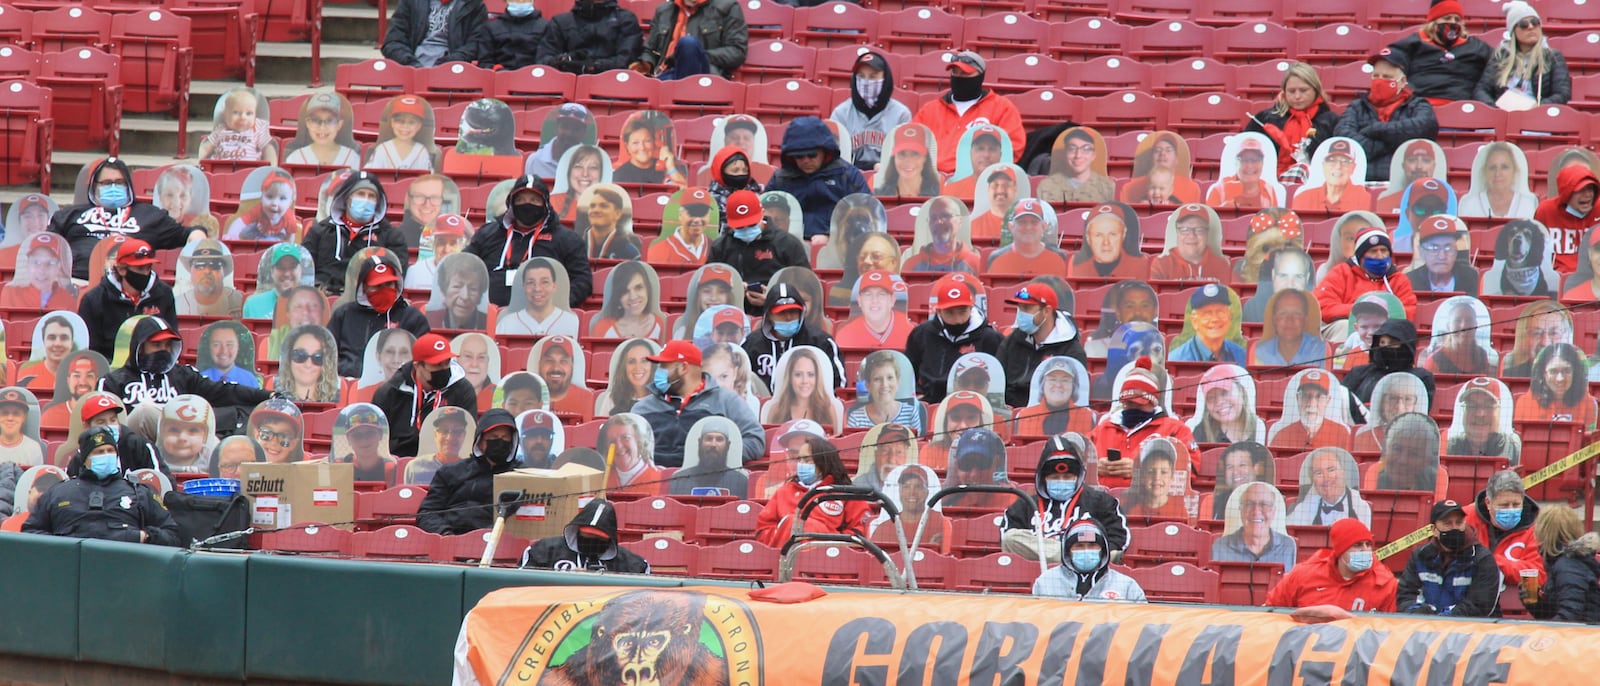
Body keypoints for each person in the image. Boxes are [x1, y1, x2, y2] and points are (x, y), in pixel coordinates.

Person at [100, 316, 271, 435]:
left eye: (167, 345)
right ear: (140, 346)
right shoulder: (114, 381)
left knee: (240, 411)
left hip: (182, 441)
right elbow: (103, 422)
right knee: (145, 412)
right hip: (132, 446)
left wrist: (267, 396)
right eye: (156, 345)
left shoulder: (183, 375)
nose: (163, 350)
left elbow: (224, 391)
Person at [49, 157, 206, 282]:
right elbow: (46, 245)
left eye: (119, 183)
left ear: (128, 186)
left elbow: (187, 234)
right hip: (76, 282)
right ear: (95, 187)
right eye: (106, 183)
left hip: (131, 285)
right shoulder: (71, 214)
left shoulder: (149, 215)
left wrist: (198, 237)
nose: (113, 187)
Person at [21, 427, 180, 545]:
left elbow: (172, 535)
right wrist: (61, 542)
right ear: (84, 459)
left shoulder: (139, 493)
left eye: (110, 451)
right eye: (98, 452)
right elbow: (29, 532)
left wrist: (145, 536)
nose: (106, 455)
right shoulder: (58, 493)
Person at [628, 340, 766, 469]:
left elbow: (755, 439)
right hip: (652, 480)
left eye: (664, 366)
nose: (658, 372)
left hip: (707, 481)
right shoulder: (643, 407)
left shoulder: (726, 401)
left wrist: (721, 458)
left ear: (683, 368)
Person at [468, 175, 592, 309]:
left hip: (542, 320)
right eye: (520, 200)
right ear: (511, 203)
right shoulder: (488, 234)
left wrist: (557, 306)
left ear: (545, 204)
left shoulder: (568, 239)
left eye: (534, 200)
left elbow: (582, 281)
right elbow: (464, 267)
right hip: (487, 315)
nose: (527, 205)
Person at [999, 434, 1128, 561]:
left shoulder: (1102, 502)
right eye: (1055, 477)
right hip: (1037, 569)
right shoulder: (1026, 504)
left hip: (1087, 569)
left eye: (1067, 477)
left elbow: (1119, 538)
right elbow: (1007, 539)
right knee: (1011, 537)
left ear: (1078, 477)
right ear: (1043, 478)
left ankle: (1077, 556)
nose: (1061, 481)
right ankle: (1071, 555)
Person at [1088, 358, 1198, 490]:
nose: (1132, 406)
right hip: (1101, 502)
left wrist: (1142, 471)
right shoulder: (1103, 428)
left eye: (1139, 403)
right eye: (1128, 402)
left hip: (1150, 505)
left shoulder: (1175, 430)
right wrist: (1093, 467)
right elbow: (1075, 461)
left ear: (1153, 402)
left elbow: (1192, 469)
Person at [1332, 50, 1438, 185]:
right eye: (1376, 76)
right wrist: (1387, 144)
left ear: (1402, 81)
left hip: (1404, 182)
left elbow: (1426, 127)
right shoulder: (1357, 106)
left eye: (1387, 77)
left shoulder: (1417, 105)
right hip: (1360, 181)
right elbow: (1342, 134)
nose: (1380, 81)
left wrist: (1375, 129)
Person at [912, 51, 1023, 176]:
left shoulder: (1002, 107)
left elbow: (1012, 147)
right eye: (955, 73)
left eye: (965, 73)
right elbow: (912, 144)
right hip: (931, 180)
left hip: (977, 180)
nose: (959, 78)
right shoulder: (930, 109)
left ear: (980, 76)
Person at [301, 172, 409, 297]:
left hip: (366, 302)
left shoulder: (392, 236)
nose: (365, 200)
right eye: (360, 194)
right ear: (347, 198)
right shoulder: (319, 231)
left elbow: (395, 274)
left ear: (378, 202)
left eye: (371, 196)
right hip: (322, 300)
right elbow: (304, 268)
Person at [766, 116, 870, 244]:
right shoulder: (780, 180)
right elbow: (765, 217)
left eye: (812, 155)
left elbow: (864, 216)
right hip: (789, 248)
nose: (806, 160)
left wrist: (831, 237)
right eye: (798, 156)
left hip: (839, 248)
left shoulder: (847, 175)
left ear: (825, 151)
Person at [373, 333, 478, 457]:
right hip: (398, 462)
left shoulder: (462, 391)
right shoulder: (390, 392)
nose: (443, 369)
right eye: (437, 364)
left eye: (447, 362)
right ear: (418, 366)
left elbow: (467, 439)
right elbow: (377, 439)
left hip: (446, 464)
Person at [415, 408, 518, 535]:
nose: (499, 442)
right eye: (493, 437)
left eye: (505, 438)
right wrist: (446, 535)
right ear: (480, 441)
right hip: (452, 540)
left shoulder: (522, 475)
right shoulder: (450, 472)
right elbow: (427, 513)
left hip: (500, 541)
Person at [754, 436, 869, 549]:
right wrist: (782, 533)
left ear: (823, 463)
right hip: (785, 558)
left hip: (828, 561)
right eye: (800, 459)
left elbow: (858, 534)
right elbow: (763, 530)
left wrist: (822, 537)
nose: (801, 464)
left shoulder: (846, 494)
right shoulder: (784, 492)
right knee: (792, 523)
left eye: (807, 460)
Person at [328, 255, 431, 380]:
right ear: (364, 287)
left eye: (389, 284)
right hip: (349, 384)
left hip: (398, 387)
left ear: (396, 283)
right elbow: (328, 355)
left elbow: (424, 360)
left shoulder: (412, 318)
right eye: (377, 286)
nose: (384, 290)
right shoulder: (344, 314)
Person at [904, 278, 1002, 405]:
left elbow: (999, 378)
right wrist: (917, 394)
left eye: (962, 312)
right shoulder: (922, 333)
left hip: (973, 405)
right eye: (950, 313)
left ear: (971, 308)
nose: (958, 320)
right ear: (939, 311)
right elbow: (908, 371)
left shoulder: (989, 338)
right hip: (930, 402)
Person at [77, 239, 178, 362]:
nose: (146, 273)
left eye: (149, 267)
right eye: (140, 269)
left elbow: (171, 338)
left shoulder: (164, 293)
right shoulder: (94, 299)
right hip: (110, 369)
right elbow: (92, 350)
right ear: (122, 270)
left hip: (153, 364)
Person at [1396, 500, 1501, 617]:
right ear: (1434, 530)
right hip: (1425, 628)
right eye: (1447, 523)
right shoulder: (1420, 557)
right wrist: (1419, 613)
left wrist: (1444, 618)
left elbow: (1480, 605)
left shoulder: (1481, 558)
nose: (1454, 528)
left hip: (1468, 630)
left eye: (1459, 522)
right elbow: (1405, 597)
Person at [1266, 518, 1397, 612]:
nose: (1365, 550)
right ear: (1340, 551)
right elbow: (1272, 611)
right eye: (1357, 545)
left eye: (1368, 545)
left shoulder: (1385, 584)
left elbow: (1391, 629)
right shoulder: (1303, 575)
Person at [741, 284, 844, 395]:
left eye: (793, 311)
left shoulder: (820, 342)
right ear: (769, 315)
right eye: (781, 312)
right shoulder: (751, 343)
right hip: (762, 409)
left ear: (802, 313)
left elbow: (838, 385)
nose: (788, 317)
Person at [1384, 0, 1491, 104]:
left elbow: (1498, 67)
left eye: (1457, 19)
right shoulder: (1413, 43)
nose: (1453, 23)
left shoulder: (1476, 47)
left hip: (1461, 108)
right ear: (1433, 22)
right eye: (1447, 18)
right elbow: (1388, 64)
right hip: (1419, 106)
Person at [997, 284, 1085, 409]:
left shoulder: (1071, 351)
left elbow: (1073, 395)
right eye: (1020, 308)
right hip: (1009, 413)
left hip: (1047, 415)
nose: (1021, 314)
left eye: (1027, 308)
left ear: (1047, 311)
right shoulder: (1012, 341)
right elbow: (997, 381)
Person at [1246, 62, 1339, 180]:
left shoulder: (1330, 121)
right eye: (1291, 91)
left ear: (1316, 90)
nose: (1297, 96)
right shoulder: (1265, 119)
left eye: (1303, 90)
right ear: (1284, 92)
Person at [1314, 228, 1417, 326]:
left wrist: (1378, 316)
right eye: (1373, 251)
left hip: (1385, 329)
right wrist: (1363, 311)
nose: (1380, 256)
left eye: (1384, 250)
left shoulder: (1398, 279)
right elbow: (1322, 306)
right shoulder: (1341, 273)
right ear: (1360, 256)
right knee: (1345, 326)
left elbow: (1407, 312)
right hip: (1347, 325)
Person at [1476, 2, 1570, 107]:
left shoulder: (1552, 56)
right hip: (1502, 115)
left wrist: (1537, 107)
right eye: (1523, 24)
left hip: (1536, 116)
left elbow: (1562, 93)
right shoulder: (1501, 56)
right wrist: (1494, 108)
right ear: (1513, 31)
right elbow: (1481, 90)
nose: (1530, 27)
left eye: (1535, 22)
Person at [519, 498, 651, 573]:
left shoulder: (632, 565)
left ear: (609, 540)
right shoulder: (544, 551)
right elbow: (520, 587)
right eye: (587, 536)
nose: (592, 541)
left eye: (598, 539)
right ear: (577, 531)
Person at [1342, 318, 1435, 425]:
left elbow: (1420, 412)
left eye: (1393, 343)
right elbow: (1342, 402)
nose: (1386, 347)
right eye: (1382, 342)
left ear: (1406, 346)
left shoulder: (1420, 377)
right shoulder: (1359, 373)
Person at [830, 51, 912, 172]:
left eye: (873, 76)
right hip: (849, 179)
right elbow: (832, 158)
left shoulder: (901, 114)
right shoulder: (841, 113)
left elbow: (906, 158)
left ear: (885, 79)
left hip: (888, 180)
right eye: (861, 76)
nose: (867, 82)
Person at [1463, 469, 1545, 587]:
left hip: (1515, 598)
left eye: (1516, 505)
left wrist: (1492, 562)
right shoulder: (1465, 519)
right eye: (1504, 505)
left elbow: (1539, 574)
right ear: (1488, 503)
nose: (1511, 509)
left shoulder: (1538, 529)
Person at [1033, 518, 1146, 602]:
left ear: (1103, 549)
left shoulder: (1126, 585)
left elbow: (1143, 624)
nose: (1086, 550)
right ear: (1068, 551)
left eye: (1092, 545)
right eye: (1079, 546)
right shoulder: (1045, 582)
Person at [630, 0, 747, 79]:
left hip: (703, 73)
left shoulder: (727, 7)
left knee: (688, 44)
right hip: (666, 73)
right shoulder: (664, 10)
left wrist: (696, 55)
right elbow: (649, 49)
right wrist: (646, 64)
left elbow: (737, 52)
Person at [536, 0, 643, 74]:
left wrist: (594, 66)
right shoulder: (561, 22)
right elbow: (545, 58)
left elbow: (628, 59)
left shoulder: (626, 20)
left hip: (612, 84)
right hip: (566, 83)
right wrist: (565, 61)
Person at [1211, 482, 1297, 571]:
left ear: (1273, 511)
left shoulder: (1288, 546)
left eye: (1264, 504)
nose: (1256, 511)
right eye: (1249, 504)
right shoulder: (1220, 547)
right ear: (1241, 509)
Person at [1535, 504, 1600, 623]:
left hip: (1582, 637)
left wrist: (1544, 633)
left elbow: (1571, 614)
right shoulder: (1561, 562)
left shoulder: (1568, 566)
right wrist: (1535, 603)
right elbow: (1554, 612)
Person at [1533, 164, 1600, 275]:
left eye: (1590, 189)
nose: (1588, 194)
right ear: (1566, 193)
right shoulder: (1546, 210)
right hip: (1557, 281)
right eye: (1581, 190)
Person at [1515, 343, 1598, 429]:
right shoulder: (1524, 403)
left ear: (1575, 373)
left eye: (1566, 371)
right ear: (1543, 373)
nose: (1560, 378)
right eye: (1553, 371)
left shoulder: (1589, 404)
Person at [382, 0, 485, 67]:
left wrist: (447, 63)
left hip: (451, 67)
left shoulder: (473, 4)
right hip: (411, 63)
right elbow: (392, 42)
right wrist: (411, 63)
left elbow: (476, 44)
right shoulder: (411, 2)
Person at [667, 419, 748, 498]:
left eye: (719, 439)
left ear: (728, 445)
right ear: (699, 442)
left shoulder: (741, 481)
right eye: (709, 439)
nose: (713, 444)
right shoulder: (679, 479)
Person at [1149, 204, 1230, 282]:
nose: (1191, 235)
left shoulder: (1221, 265)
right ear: (1177, 233)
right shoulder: (1161, 264)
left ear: (1207, 234)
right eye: (1185, 229)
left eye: (1199, 229)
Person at [1168, 284, 1246, 364]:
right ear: (1194, 322)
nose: (1215, 319)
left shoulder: (1242, 356)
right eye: (1207, 314)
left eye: (1220, 312)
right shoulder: (1177, 360)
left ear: (1229, 316)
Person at [1459, 142, 1538, 219]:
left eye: (1504, 167)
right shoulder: (1469, 204)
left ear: (1514, 171)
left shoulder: (1528, 204)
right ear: (1485, 172)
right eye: (1492, 167)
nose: (1498, 173)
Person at [1036, 127, 1116, 204]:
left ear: (1093, 155)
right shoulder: (1046, 186)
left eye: (1086, 149)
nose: (1078, 155)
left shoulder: (1108, 188)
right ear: (1065, 154)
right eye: (1072, 149)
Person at [1291, 140, 1373, 214]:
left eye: (1345, 161)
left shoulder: (1366, 200)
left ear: (1353, 167)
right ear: (1323, 165)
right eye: (1332, 160)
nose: (1338, 166)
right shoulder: (1303, 199)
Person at [901, 196, 980, 274]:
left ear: (959, 221)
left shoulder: (976, 264)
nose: (938, 222)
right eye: (933, 218)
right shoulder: (910, 265)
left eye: (945, 216)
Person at [1418, 297, 1496, 375]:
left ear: (1476, 325)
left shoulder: (1482, 355)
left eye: (1469, 320)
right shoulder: (1434, 361)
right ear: (1448, 327)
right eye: (1457, 320)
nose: (1464, 326)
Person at [1069, 204, 1148, 280]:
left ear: (1123, 235)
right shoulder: (1076, 268)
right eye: (1098, 235)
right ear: (1088, 238)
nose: (1106, 242)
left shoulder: (1140, 265)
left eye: (1112, 234)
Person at [1, 234, 77, 312]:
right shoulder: (10, 294)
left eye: (50, 263)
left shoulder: (68, 300)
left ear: (58, 267)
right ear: (27, 264)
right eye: (36, 262)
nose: (42, 270)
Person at [1407, 216, 1479, 296]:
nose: (1442, 256)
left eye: (1448, 248)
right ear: (1421, 252)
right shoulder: (1409, 281)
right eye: (1434, 248)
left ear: (1456, 251)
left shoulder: (1472, 278)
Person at [476, 0, 547, 70]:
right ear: (506, 1)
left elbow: (546, 59)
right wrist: (498, 70)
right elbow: (484, 62)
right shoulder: (490, 28)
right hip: (500, 77)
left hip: (534, 77)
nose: (521, 1)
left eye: (525, 0)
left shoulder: (546, 27)